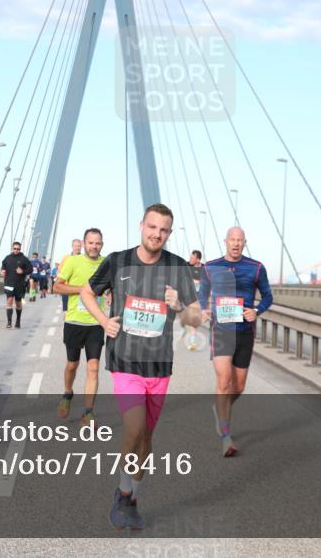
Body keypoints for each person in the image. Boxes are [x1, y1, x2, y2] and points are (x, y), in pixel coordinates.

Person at [79, 203, 201, 530]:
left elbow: (196, 317)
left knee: (146, 437)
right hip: (125, 360)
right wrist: (104, 321)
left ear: (169, 234)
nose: (156, 234)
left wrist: (178, 306)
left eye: (163, 230)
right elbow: (86, 293)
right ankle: (121, 492)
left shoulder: (177, 267)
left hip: (159, 366)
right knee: (133, 429)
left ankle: (133, 497)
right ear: (141, 226)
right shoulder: (118, 261)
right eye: (152, 227)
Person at [199, 228, 273, 457]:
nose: (236, 244)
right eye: (232, 240)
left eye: (240, 241)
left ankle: (220, 406)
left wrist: (257, 311)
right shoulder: (210, 266)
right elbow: (203, 293)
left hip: (244, 331)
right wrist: (204, 309)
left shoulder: (256, 267)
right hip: (221, 330)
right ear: (226, 241)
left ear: (244, 243)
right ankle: (226, 436)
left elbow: (268, 296)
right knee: (224, 379)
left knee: (238, 386)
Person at [53, 228, 105, 425]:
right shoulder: (73, 262)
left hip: (96, 322)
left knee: (93, 367)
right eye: (91, 242)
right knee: (72, 365)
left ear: (102, 244)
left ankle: (88, 412)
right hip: (74, 321)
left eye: (98, 243)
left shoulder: (106, 263)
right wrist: (83, 291)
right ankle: (67, 394)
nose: (94, 246)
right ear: (84, 244)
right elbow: (56, 286)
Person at [0, 242, 32, 328]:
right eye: (15, 248)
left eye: (18, 249)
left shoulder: (24, 259)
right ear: (12, 248)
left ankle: (18, 321)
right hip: (9, 283)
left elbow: (30, 269)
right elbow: (3, 266)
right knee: (9, 300)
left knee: (18, 303)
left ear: (20, 249)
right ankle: (9, 322)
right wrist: (2, 270)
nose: (16, 250)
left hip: (19, 284)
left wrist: (23, 271)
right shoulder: (7, 258)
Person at [184, 249, 204, 351]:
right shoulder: (187, 266)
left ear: (198, 260)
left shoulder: (205, 269)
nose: (190, 259)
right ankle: (187, 331)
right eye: (190, 257)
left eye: (192, 258)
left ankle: (192, 343)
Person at [57, 238, 83, 312]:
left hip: (78, 289)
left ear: (81, 247)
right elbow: (60, 271)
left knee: (77, 311)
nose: (77, 248)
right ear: (72, 246)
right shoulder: (66, 258)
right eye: (75, 246)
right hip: (66, 287)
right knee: (66, 310)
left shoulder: (83, 258)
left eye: (79, 246)